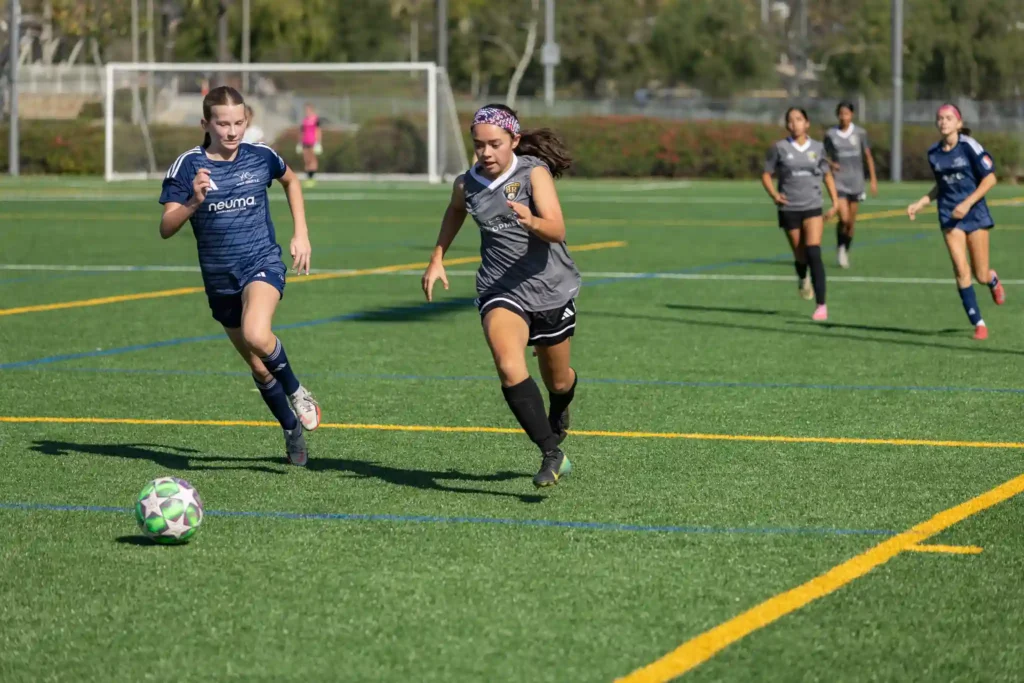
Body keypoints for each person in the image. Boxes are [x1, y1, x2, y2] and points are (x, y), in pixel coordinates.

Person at [159, 86, 321, 465]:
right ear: (206, 124)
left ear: (246, 120)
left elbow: (291, 181)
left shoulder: (260, 156)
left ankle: (298, 392)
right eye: (223, 124)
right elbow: (166, 227)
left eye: (238, 123)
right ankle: (290, 427)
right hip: (220, 280)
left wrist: (301, 233)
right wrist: (193, 202)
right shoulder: (187, 166)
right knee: (259, 366)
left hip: (261, 262)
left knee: (256, 333)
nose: (232, 132)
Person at [421, 104, 579, 488]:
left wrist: (532, 220)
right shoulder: (466, 183)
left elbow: (557, 229)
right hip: (500, 288)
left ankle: (560, 406)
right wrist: (437, 257)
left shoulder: (533, 173)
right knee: (509, 366)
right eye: (479, 146)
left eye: (495, 144)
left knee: (558, 382)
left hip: (550, 287)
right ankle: (551, 453)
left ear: (514, 141)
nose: (486, 153)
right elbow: (455, 210)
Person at [907, 104, 1005, 340]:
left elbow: (990, 179)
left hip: (975, 213)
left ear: (959, 123)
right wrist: (922, 202)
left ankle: (992, 279)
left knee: (980, 274)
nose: (943, 122)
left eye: (949, 118)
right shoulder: (934, 153)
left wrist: (967, 204)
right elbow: (941, 186)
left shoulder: (969, 146)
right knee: (961, 270)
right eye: (940, 118)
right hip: (949, 216)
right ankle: (979, 323)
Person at [761, 107, 839, 320]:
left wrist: (835, 202)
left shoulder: (818, 147)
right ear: (787, 125)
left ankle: (821, 305)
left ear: (807, 123)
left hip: (812, 206)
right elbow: (766, 175)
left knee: (814, 252)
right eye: (790, 120)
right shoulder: (779, 148)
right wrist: (774, 195)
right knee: (800, 255)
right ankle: (802, 277)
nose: (794, 123)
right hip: (789, 208)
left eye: (798, 119)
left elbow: (827, 175)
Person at [824, 101, 878, 268]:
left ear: (852, 115)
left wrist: (873, 179)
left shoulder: (860, 133)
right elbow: (822, 155)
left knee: (850, 223)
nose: (843, 117)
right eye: (841, 114)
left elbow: (867, 156)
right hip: (839, 181)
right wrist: (831, 164)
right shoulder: (831, 134)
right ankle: (840, 249)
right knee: (844, 217)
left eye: (846, 114)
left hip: (856, 182)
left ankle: (845, 249)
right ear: (837, 115)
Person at [295, 103, 322, 187]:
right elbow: (302, 132)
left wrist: (318, 142)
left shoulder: (316, 119)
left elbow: (318, 130)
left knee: (312, 160)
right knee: (306, 160)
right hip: (305, 142)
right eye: (306, 110)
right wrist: (299, 142)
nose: (307, 111)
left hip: (313, 142)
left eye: (308, 109)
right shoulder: (304, 120)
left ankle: (312, 178)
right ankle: (308, 177)